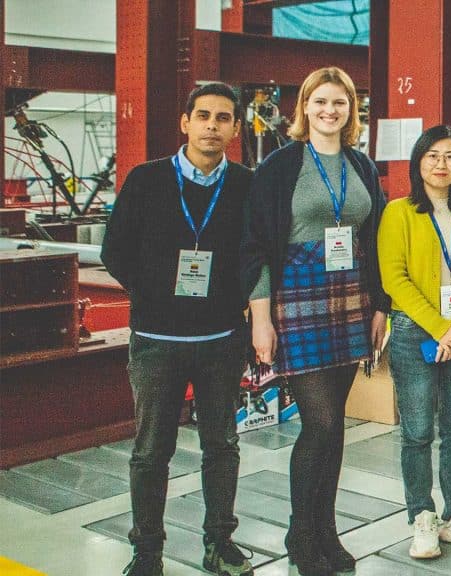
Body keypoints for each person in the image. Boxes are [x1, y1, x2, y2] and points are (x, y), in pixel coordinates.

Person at [101, 82, 254, 576]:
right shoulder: (146, 180)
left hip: (221, 340)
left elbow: (256, 256)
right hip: (156, 341)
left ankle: (220, 543)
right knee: (151, 451)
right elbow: (113, 251)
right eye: (203, 116)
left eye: (223, 118)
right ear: (185, 122)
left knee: (222, 446)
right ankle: (147, 552)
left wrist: (234, 303)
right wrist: (155, 295)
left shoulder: (246, 186)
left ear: (235, 129)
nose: (212, 125)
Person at [241, 66, 388, 576]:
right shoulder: (280, 166)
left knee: (335, 427)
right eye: (321, 101)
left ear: (352, 111)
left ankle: (326, 530)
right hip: (297, 302)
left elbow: (376, 239)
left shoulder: (361, 165)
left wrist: (381, 306)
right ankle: (299, 533)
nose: (330, 111)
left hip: (350, 300)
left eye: (340, 103)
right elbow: (255, 245)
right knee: (320, 423)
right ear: (304, 107)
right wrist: (261, 318)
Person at [377, 125, 451, 559]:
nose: (441, 164)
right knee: (417, 432)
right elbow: (394, 279)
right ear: (418, 162)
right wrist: (440, 328)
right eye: (432, 156)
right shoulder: (399, 213)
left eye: (450, 156)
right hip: (414, 334)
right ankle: (422, 516)